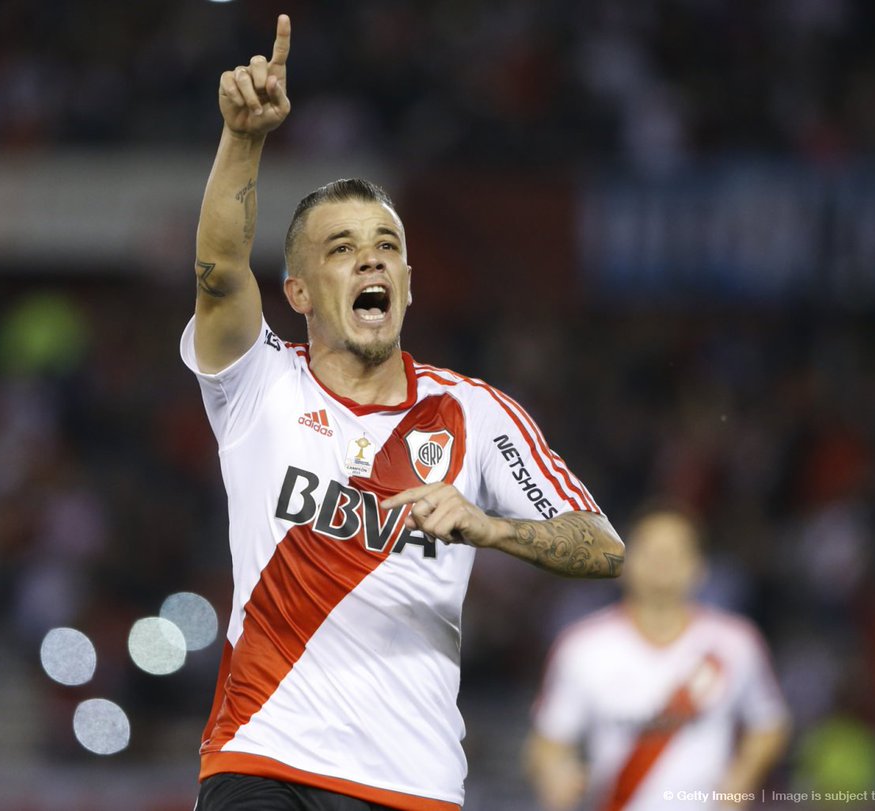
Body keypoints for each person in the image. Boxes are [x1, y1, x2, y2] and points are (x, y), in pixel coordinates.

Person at [180, 13, 625, 811]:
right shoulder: (260, 383)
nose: (371, 259)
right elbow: (218, 272)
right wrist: (242, 139)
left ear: (409, 284)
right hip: (260, 755)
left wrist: (491, 528)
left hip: (410, 783)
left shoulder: (475, 413)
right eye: (342, 248)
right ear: (299, 292)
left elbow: (602, 545)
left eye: (386, 245)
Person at [524, 507, 790, 811]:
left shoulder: (737, 644)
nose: (662, 561)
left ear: (699, 567)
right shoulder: (581, 647)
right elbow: (548, 739)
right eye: (650, 550)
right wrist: (554, 772)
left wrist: (743, 774)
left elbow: (769, 723)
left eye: (675, 552)